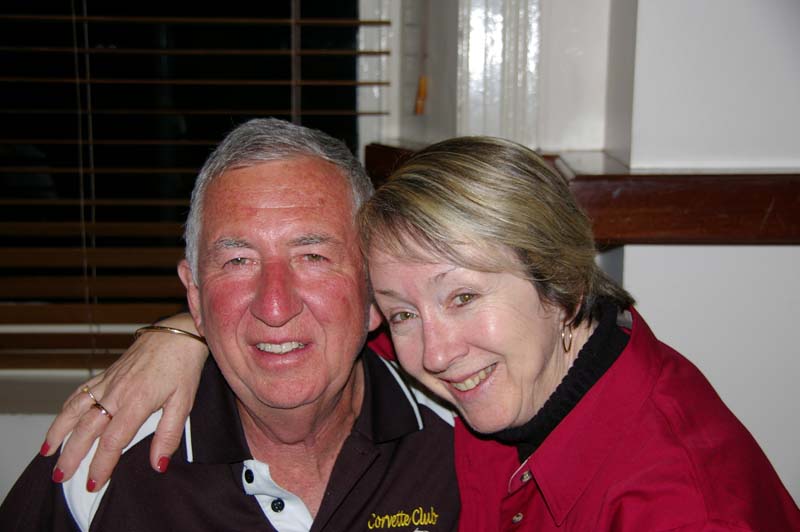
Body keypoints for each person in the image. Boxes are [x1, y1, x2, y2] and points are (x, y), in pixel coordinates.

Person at [27, 136, 800, 531]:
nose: (435, 353)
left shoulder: (681, 506)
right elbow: (296, 325)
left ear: (561, 284)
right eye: (402, 312)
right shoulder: (103, 456)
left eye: (463, 295)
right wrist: (184, 333)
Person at [0, 119, 460, 531]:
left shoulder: (461, 437)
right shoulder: (103, 461)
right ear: (195, 296)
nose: (275, 307)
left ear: (373, 289)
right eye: (238, 261)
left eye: (312, 257)